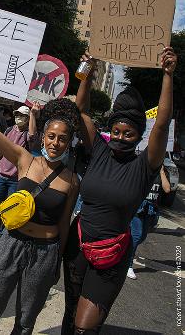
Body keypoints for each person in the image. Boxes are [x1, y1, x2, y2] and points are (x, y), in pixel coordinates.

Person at [62, 47, 177, 334]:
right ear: (109, 131)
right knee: (70, 313)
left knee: (85, 327)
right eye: (116, 132)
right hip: (77, 245)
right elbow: (81, 111)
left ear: (140, 136)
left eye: (129, 134)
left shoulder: (144, 165)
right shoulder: (98, 150)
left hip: (111, 255)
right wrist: (89, 70)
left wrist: (168, 76)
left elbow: (161, 124)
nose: (121, 138)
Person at [0, 81, 80, 335]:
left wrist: (57, 262)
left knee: (25, 322)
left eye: (62, 139)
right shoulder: (25, 159)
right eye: (51, 136)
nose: (55, 143)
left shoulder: (72, 180)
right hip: (10, 243)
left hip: (46, 253)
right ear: (43, 136)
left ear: (69, 143)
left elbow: (64, 222)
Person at [127, 164, 171, 280]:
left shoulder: (163, 173)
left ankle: (126, 248)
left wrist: (161, 172)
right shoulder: (144, 169)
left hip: (151, 210)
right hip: (139, 207)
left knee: (142, 237)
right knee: (137, 235)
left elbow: (167, 189)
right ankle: (128, 265)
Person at [0, 105, 32, 217]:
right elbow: (0, 150)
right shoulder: (8, 130)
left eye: (22, 115)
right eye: (17, 114)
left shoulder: (28, 135)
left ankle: (4, 229)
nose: (18, 117)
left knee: (10, 207)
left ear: (27, 119)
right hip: (0, 174)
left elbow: (33, 136)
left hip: (15, 178)